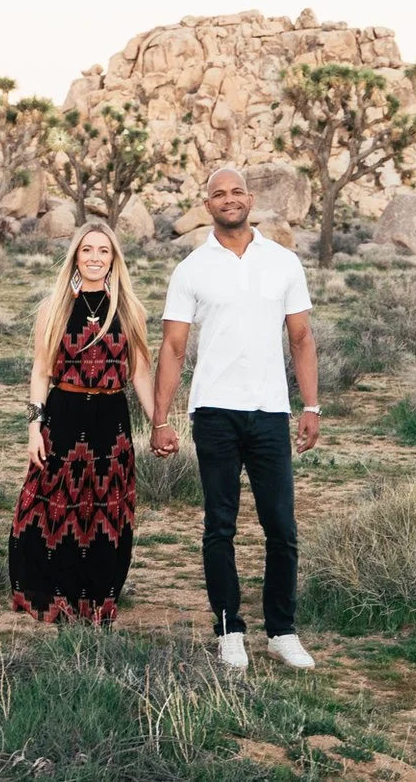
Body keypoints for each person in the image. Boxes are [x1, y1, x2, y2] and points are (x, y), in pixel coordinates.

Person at [149, 166, 322, 671]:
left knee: (281, 526)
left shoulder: (283, 262)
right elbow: (173, 347)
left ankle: (282, 632)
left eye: (237, 191)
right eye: (219, 194)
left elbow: (301, 338)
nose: (229, 199)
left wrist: (311, 406)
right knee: (219, 527)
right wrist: (160, 418)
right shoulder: (192, 269)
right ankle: (229, 631)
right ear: (208, 206)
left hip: (270, 411)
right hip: (214, 412)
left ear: (250, 199)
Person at [9, 223, 158, 622]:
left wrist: (158, 423)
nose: (95, 257)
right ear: (76, 256)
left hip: (111, 420)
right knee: (54, 505)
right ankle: (54, 593)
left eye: (103, 251)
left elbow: (140, 373)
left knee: (107, 510)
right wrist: (34, 427)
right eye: (87, 250)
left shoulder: (129, 309)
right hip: (64, 413)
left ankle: (98, 597)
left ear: (114, 259)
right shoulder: (53, 308)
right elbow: (41, 371)